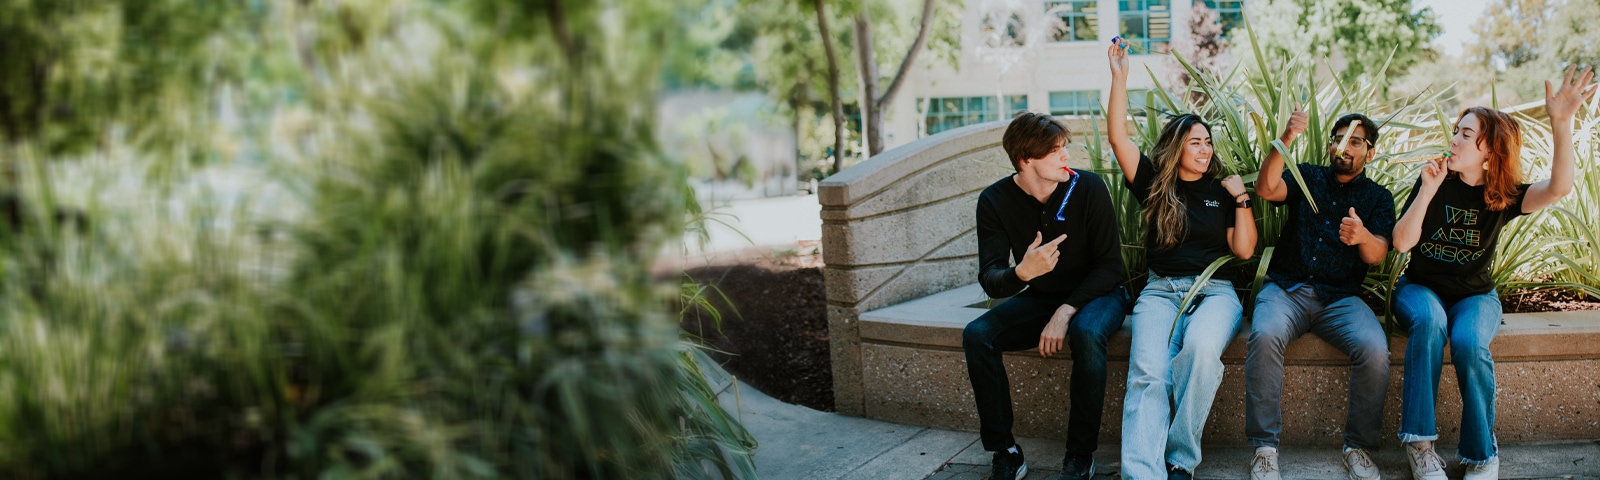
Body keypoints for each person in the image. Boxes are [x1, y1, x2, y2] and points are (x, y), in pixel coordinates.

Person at [1391, 66, 1596, 480]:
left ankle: (1482, 456)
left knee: (1468, 342)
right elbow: (1400, 243)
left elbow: (1558, 188)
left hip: (1476, 296)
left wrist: (1562, 122)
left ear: (1490, 150)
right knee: (1430, 322)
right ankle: (1420, 446)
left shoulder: (1501, 195)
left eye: (1467, 134)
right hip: (1419, 289)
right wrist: (1427, 191)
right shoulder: (1434, 180)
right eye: (1457, 130)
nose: (1455, 138)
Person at [1106, 36, 1257, 480]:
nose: (1205, 149)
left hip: (1215, 292)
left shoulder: (1220, 190)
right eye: (1195, 143)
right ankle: (1142, 474)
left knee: (1201, 352)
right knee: (1149, 375)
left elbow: (1245, 250)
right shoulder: (1154, 183)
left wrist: (1242, 197)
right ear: (1176, 147)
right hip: (1160, 292)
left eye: (1208, 142)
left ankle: (1180, 459)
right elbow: (1118, 136)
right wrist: (1120, 79)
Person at [963, 111, 1129, 480]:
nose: (1066, 157)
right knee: (977, 335)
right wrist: (1023, 272)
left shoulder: (1088, 187)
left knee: (1086, 334)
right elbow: (991, 278)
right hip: (1041, 296)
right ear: (1026, 160)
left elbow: (1109, 266)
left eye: (1063, 148)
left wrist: (1066, 311)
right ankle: (1005, 451)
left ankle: (1080, 455)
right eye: (1055, 151)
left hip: (1099, 294)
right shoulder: (994, 200)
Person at [1243, 109, 1396, 480]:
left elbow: (1378, 255)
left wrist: (1362, 237)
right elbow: (1265, 188)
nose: (1343, 146)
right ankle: (1265, 449)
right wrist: (1286, 139)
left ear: (1370, 153)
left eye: (1355, 140)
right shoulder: (1308, 175)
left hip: (1340, 299)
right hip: (1286, 289)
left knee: (1375, 350)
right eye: (1338, 137)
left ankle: (1357, 447)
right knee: (1263, 336)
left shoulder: (1378, 197)